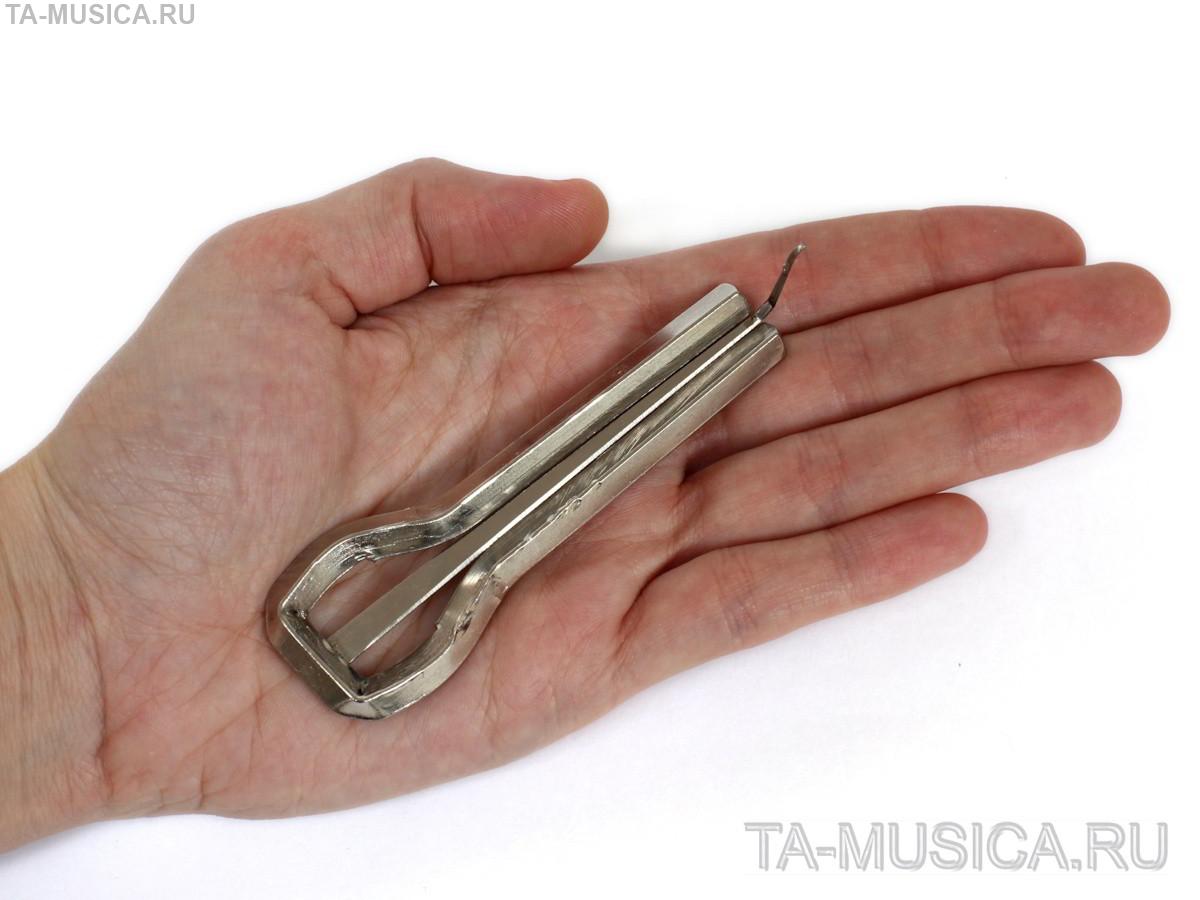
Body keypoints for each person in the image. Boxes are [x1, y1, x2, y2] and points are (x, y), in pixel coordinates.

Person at [0, 159, 1170, 851]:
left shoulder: (429, 603)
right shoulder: (378, 580)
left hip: (423, 586)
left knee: (469, 557)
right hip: (404, 569)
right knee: (460, 546)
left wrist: (61, 611)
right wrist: (67, 590)